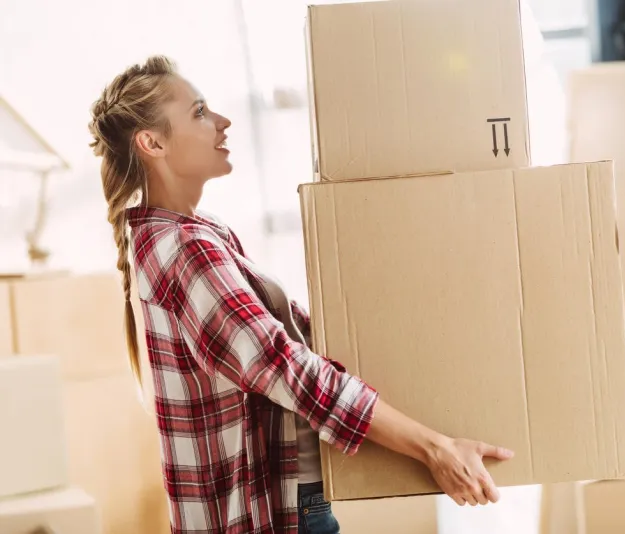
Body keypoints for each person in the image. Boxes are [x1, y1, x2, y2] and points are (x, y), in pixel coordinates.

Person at [88, 55, 514, 534]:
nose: (222, 123)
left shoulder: (197, 235)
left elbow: (298, 343)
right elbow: (284, 366)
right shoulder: (185, 249)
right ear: (152, 142)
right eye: (200, 112)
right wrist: (433, 447)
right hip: (275, 517)